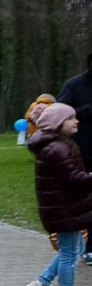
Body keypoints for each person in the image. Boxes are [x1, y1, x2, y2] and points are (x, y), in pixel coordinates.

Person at [23, 103, 92, 286]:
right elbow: (75, 179)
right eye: (71, 118)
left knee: (73, 248)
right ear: (58, 123)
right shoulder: (58, 148)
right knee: (70, 253)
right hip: (64, 210)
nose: (76, 121)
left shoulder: (56, 145)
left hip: (63, 209)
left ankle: (42, 283)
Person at [57, 51, 92, 264]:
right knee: (85, 201)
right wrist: (87, 111)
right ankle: (86, 246)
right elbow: (59, 114)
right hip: (83, 151)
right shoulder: (74, 85)